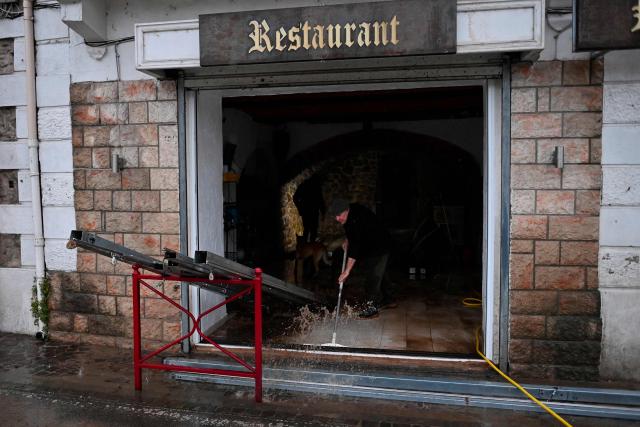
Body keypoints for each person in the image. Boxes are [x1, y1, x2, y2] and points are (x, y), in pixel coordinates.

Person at [328, 198, 395, 319]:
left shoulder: (355, 220)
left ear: (347, 210)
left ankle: (372, 308)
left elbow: (354, 249)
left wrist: (346, 271)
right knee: (381, 272)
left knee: (373, 277)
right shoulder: (350, 213)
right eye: (335, 216)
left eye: (339, 215)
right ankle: (390, 299)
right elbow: (353, 232)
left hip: (380, 245)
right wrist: (348, 239)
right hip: (371, 243)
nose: (337, 219)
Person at [293, 175, 326, 243]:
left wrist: (300, 208)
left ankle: (307, 248)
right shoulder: (316, 186)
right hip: (312, 212)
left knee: (307, 230)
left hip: (306, 212)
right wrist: (323, 212)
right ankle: (310, 247)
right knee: (312, 231)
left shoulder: (304, 185)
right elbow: (320, 200)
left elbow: (295, 197)